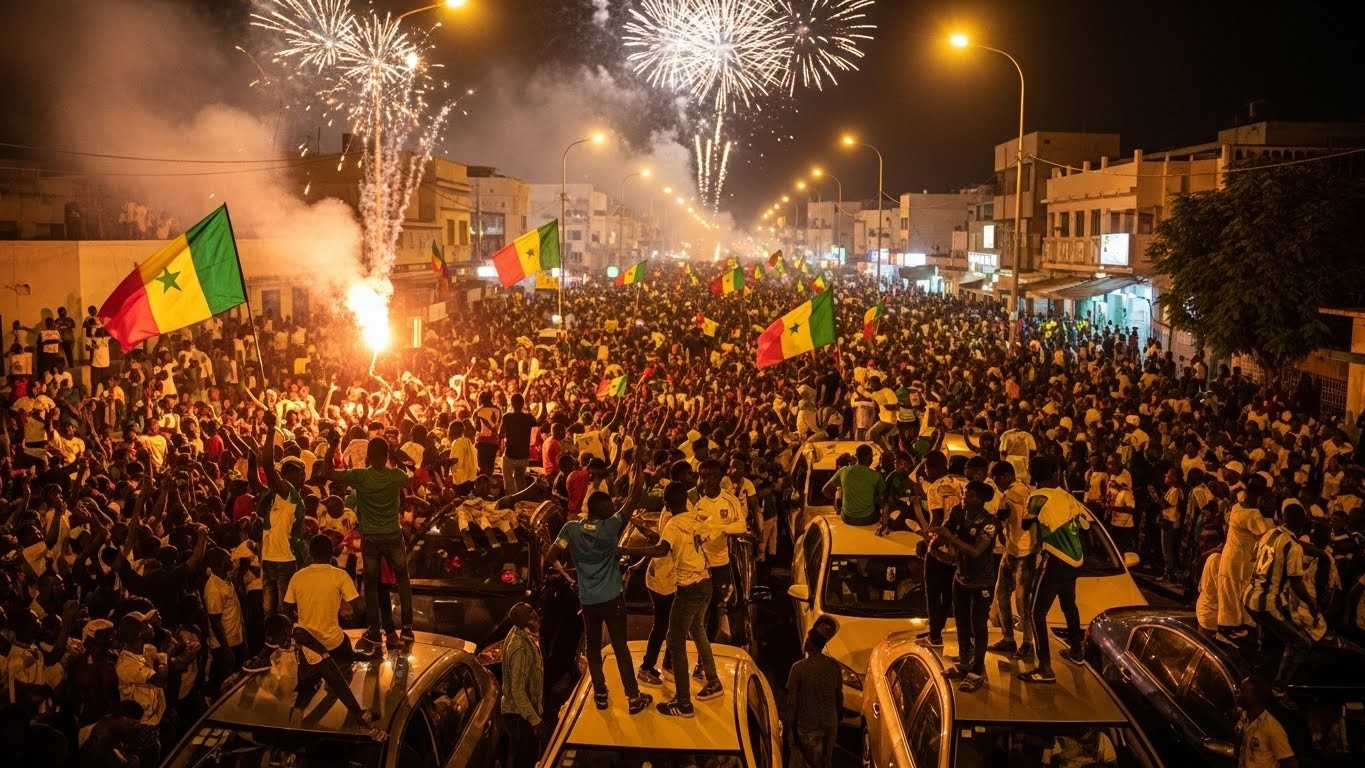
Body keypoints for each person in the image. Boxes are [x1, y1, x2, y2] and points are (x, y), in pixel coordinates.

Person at [545, 457, 652, 715]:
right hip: (612, 599)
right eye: (610, 507)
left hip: (588, 600)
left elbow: (551, 557)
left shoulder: (571, 529)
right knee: (620, 648)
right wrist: (640, 465)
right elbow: (633, 499)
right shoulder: (611, 527)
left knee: (592, 647)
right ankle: (633, 696)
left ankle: (601, 694)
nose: (613, 508)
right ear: (603, 510)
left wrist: (569, 576)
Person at [618, 478, 723, 718]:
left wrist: (625, 550)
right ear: (686, 500)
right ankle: (713, 680)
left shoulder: (674, 524)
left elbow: (661, 549)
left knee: (675, 641)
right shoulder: (695, 517)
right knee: (697, 629)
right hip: (705, 582)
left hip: (689, 588)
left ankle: (683, 703)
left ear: (665, 503)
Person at [323, 429, 414, 655]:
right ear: (386, 456)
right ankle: (407, 628)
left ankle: (374, 629)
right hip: (393, 534)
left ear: (368, 457)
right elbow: (408, 476)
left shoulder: (360, 476)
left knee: (371, 585)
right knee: (403, 579)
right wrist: (396, 456)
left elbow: (328, 472)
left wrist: (332, 447)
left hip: (370, 537)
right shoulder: (395, 476)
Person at [1019, 455, 1087, 684]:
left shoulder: (1037, 496)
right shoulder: (1066, 495)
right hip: (1076, 559)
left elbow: (1025, 524)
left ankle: (1044, 668)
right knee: (1069, 605)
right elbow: (1085, 524)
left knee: (1035, 612)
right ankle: (1076, 650)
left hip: (1055, 558)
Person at [1243, 504, 1317, 707]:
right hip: (1266, 603)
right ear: (1301, 524)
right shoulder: (1293, 547)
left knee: (1271, 638)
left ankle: (1259, 676)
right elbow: (1296, 583)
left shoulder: (1268, 534)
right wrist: (1311, 603)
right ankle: (1279, 689)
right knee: (1301, 643)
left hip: (1249, 597)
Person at [929, 481, 998, 693]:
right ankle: (964, 663)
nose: (964, 499)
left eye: (970, 496)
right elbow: (945, 531)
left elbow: (976, 551)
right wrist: (935, 542)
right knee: (961, 622)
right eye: (965, 495)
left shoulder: (990, 523)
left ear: (982, 500)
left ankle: (977, 671)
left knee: (978, 625)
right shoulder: (957, 512)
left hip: (981, 581)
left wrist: (951, 538)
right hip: (960, 577)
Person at [693, 458, 747, 644]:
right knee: (701, 605)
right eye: (703, 477)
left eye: (711, 476)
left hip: (720, 563)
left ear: (719, 478)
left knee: (717, 605)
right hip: (699, 564)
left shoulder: (729, 501)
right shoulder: (696, 502)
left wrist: (720, 529)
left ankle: (709, 643)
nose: (707, 481)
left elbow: (741, 526)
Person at [987, 460, 1037, 661]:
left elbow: (1005, 519)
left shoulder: (1012, 494)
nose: (997, 484)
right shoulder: (1027, 491)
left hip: (1022, 554)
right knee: (1004, 595)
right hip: (1015, 551)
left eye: (998, 479)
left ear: (1008, 476)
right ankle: (1011, 639)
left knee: (1019, 601)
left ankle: (1026, 643)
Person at [785, 617, 842, 768]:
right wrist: (837, 720)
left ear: (810, 644)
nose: (805, 641)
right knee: (826, 761)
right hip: (830, 725)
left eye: (808, 638)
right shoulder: (833, 666)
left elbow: (792, 703)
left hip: (809, 728)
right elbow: (838, 697)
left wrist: (789, 730)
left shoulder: (798, 668)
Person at [501, 603, 544, 768]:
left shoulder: (518, 633)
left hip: (522, 711)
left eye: (534, 612)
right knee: (525, 758)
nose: (536, 618)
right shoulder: (520, 648)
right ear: (523, 622)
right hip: (520, 714)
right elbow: (517, 690)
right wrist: (535, 721)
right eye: (531, 616)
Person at [1235, 675, 1297, 767]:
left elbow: (1290, 763)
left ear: (1256, 697)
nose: (1237, 692)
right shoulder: (1245, 717)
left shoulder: (1272, 728)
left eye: (1243, 690)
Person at [822, 443, 885, 527]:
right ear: (869, 458)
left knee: (839, 490)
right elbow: (882, 497)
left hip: (847, 518)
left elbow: (825, 490)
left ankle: (839, 509)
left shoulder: (843, 471)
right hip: (868, 518)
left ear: (857, 456)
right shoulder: (876, 475)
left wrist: (839, 500)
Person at [500, 393, 535, 496]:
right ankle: (521, 499)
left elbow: (500, 434)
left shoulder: (507, 417)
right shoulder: (528, 417)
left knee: (508, 482)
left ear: (511, 404)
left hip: (510, 455)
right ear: (523, 404)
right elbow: (542, 418)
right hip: (524, 456)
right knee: (520, 479)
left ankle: (511, 499)